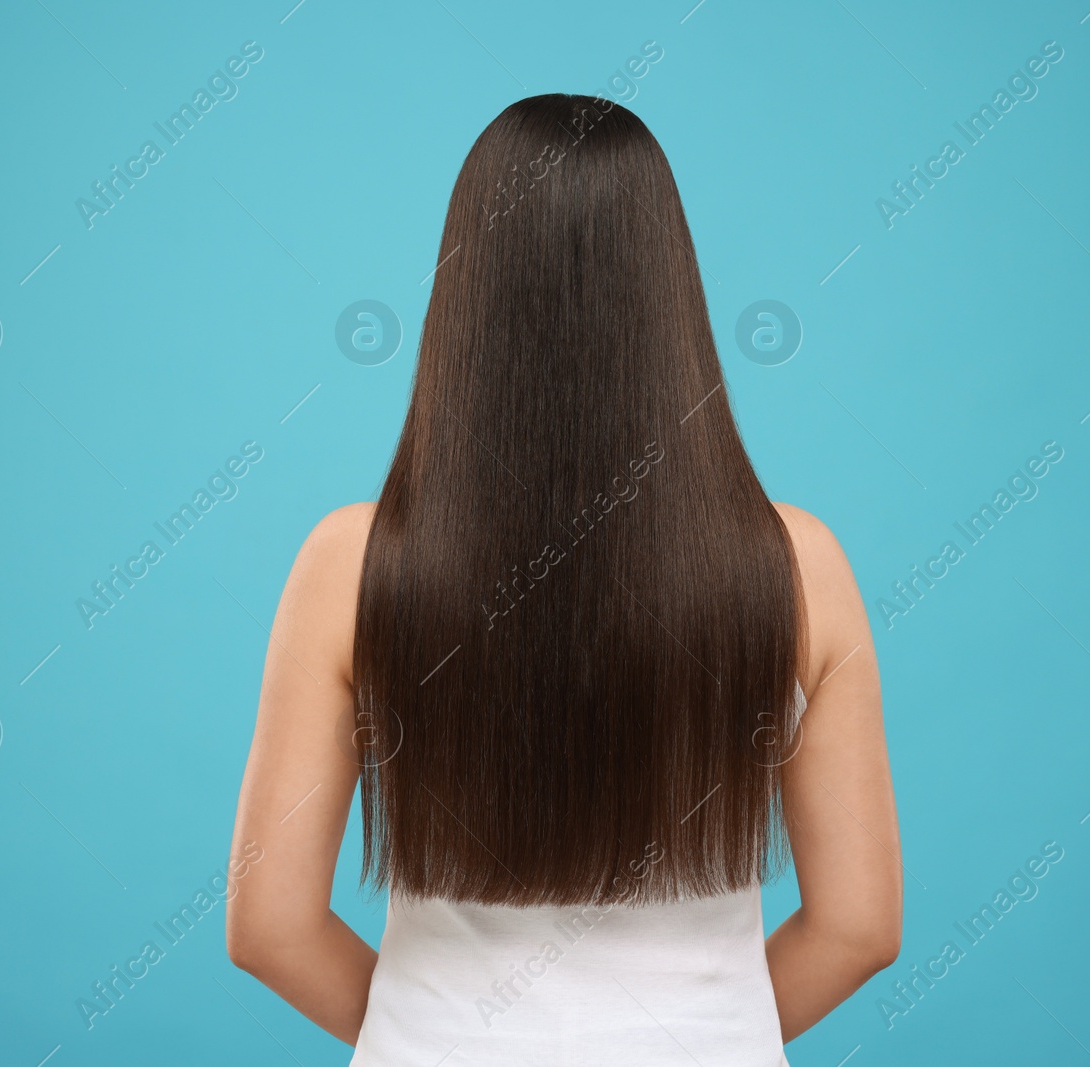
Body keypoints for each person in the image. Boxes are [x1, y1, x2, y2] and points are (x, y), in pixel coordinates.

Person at [225, 93, 902, 1065]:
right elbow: (859, 928)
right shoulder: (799, 568)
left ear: (465, 293)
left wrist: (435, 1026)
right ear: (670, 293)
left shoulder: (351, 565)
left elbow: (269, 927)